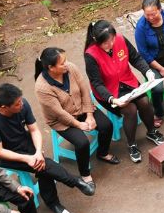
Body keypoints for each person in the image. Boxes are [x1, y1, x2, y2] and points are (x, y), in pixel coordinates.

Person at [0, 82, 96, 213]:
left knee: (42, 165)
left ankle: (54, 201)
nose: (22, 104)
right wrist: (28, 158)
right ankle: (74, 182)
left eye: (20, 100)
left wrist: (37, 151)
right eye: (17, 104)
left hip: (25, 144)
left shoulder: (22, 104)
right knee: (43, 166)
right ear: (4, 107)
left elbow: (34, 129)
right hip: (6, 155)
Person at [34, 47, 118, 190]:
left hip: (82, 108)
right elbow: (59, 113)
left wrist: (90, 114)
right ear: (51, 68)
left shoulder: (70, 68)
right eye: (62, 63)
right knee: (82, 142)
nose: (66, 64)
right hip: (61, 120)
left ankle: (102, 153)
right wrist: (78, 125)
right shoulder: (42, 87)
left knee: (106, 125)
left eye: (65, 60)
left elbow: (85, 90)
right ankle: (85, 174)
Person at [84, 20, 164, 163]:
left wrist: (147, 72)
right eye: (106, 43)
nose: (110, 45)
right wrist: (112, 99)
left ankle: (152, 132)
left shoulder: (121, 39)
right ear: (97, 41)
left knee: (145, 102)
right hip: (108, 92)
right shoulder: (90, 55)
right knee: (130, 110)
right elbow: (96, 83)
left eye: (112, 40)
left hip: (128, 82)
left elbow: (136, 58)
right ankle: (132, 144)